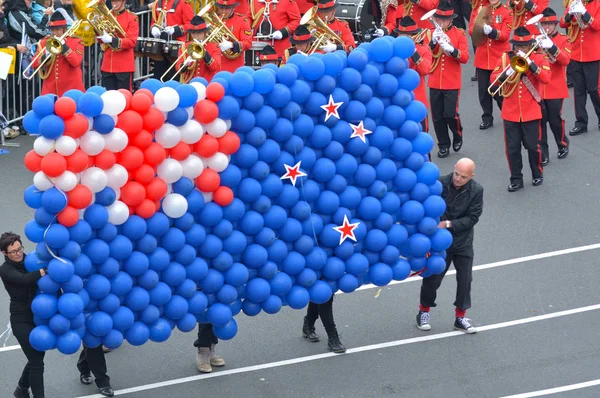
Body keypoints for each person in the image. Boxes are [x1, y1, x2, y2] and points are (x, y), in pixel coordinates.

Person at [416, 158, 483, 334]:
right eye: (456, 174)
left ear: (471, 176)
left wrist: (448, 224)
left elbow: (473, 218)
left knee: (465, 281)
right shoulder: (439, 184)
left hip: (462, 243)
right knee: (432, 279)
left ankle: (460, 317)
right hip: (439, 243)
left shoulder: (476, 190)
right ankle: (423, 311)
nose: (458, 178)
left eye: (463, 176)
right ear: (453, 168)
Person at [490, 25, 551, 191]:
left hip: (531, 111)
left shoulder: (538, 58)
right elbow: (494, 79)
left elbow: (546, 78)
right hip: (510, 112)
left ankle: (537, 173)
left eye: (524, 46)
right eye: (518, 46)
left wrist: (530, 64)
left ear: (530, 45)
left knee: (533, 147)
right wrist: (506, 72)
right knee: (512, 149)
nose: (520, 49)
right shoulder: (505, 58)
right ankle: (516, 178)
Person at [0, 233, 46, 398]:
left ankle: (21, 389)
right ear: (4, 253)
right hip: (21, 319)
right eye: (13, 251)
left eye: (20, 248)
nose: (19, 253)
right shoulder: (5, 270)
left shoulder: (28, 260)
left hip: (38, 314)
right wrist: (44, 271)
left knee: (37, 355)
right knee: (36, 362)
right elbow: (24, 280)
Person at [427, 0, 469, 158]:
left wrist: (452, 49)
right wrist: (432, 41)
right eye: (439, 19)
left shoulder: (459, 34)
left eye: (444, 19)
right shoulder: (432, 33)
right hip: (435, 80)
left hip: (451, 81)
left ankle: (457, 134)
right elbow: (426, 54)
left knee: (450, 114)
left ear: (451, 19)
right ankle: (443, 144)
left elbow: (464, 57)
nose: (441, 22)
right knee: (437, 117)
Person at [468, 0, 512, 130]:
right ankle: (487, 117)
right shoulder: (480, 10)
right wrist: (479, 28)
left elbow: (505, 35)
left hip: (498, 58)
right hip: (482, 57)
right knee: (483, 92)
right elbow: (471, 29)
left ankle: (508, 114)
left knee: (498, 91)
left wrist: (492, 32)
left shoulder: (506, 12)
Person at [560, 0, 600, 136]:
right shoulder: (573, 3)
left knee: (594, 90)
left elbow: (597, 25)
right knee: (579, 90)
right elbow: (562, 23)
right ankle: (581, 122)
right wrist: (570, 14)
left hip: (593, 55)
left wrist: (584, 13)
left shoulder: (598, 5)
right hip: (576, 54)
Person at [539, 7, 570, 163]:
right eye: (544, 25)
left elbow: (565, 61)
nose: (547, 28)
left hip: (555, 87)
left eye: (550, 24)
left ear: (556, 25)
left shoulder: (564, 40)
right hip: (538, 89)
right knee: (540, 122)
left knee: (554, 120)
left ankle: (562, 143)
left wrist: (552, 47)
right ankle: (543, 153)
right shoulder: (536, 39)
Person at [30, 11, 84, 96]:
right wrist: (46, 55)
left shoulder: (76, 42)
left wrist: (63, 46)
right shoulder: (44, 42)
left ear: (64, 29)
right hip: (51, 89)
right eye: (52, 30)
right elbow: (34, 64)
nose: (54, 33)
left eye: (58, 29)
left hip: (71, 88)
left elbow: (76, 62)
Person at [393, 16, 432, 133]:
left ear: (414, 35)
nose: (404, 38)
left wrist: (413, 52)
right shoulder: (393, 50)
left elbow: (425, 70)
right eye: (402, 35)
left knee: (421, 134)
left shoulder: (423, 49)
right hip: (398, 100)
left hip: (417, 100)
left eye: (408, 36)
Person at [98, 0, 139, 90]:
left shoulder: (132, 18)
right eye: (113, 1)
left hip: (124, 65)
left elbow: (131, 41)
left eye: (117, 1)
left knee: (124, 97)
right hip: (108, 64)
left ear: (124, 1)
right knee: (108, 97)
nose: (114, 4)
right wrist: (97, 30)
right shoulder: (106, 17)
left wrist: (112, 40)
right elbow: (101, 41)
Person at [149, 0, 194, 80]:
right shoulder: (157, 3)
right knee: (159, 74)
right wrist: (154, 27)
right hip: (161, 45)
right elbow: (154, 21)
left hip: (177, 46)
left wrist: (175, 29)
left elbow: (191, 24)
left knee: (174, 76)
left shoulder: (183, 2)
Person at [175, 15, 221, 83]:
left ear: (205, 33)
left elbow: (216, 67)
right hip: (190, 84)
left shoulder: (214, 46)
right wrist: (185, 64)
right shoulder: (185, 46)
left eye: (199, 33)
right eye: (193, 33)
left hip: (206, 83)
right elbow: (178, 68)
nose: (195, 36)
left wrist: (205, 54)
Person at [215, 0, 252, 73]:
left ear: (233, 8)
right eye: (221, 8)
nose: (224, 11)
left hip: (233, 66)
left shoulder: (242, 21)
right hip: (216, 67)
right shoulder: (214, 21)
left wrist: (232, 45)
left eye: (227, 8)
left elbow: (248, 43)